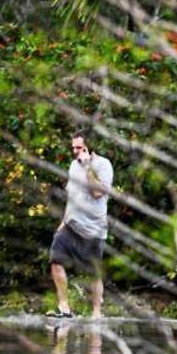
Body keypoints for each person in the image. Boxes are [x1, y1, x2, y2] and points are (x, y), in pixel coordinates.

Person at [49, 132, 112, 319]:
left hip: (93, 229)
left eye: (79, 148)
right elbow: (73, 196)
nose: (75, 152)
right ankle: (64, 307)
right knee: (55, 261)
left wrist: (87, 167)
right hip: (71, 225)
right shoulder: (72, 166)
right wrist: (63, 221)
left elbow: (98, 193)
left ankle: (96, 313)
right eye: (73, 148)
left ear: (89, 149)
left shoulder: (103, 165)